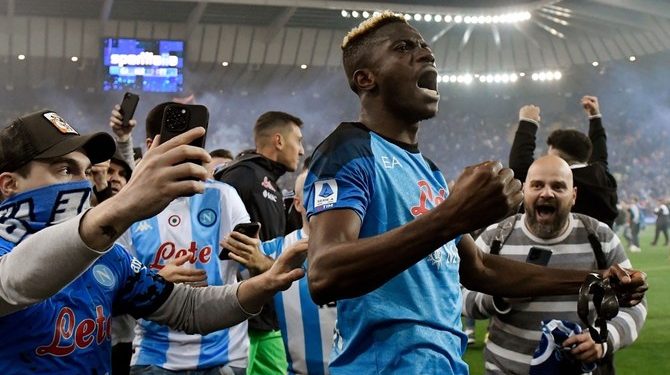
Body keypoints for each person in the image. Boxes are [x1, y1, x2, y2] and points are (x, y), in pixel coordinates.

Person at [303, 12, 646, 374]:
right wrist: (453, 216)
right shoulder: (347, 149)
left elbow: (479, 268)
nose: (425, 54)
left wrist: (592, 279)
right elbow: (325, 274)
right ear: (365, 78)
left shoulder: (429, 171)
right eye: (403, 47)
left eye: (425, 46)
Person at [0, 109, 306, 374]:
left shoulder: (109, 257)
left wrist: (262, 285)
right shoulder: (81, 243)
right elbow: (16, 282)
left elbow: (187, 309)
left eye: (85, 172)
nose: (81, 183)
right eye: (65, 170)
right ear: (9, 184)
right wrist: (122, 206)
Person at [462, 155, 646, 375]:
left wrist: (604, 340)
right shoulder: (495, 238)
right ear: (524, 192)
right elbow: (459, 298)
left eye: (558, 186)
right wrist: (500, 296)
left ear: (573, 195)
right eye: (537, 185)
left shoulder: (599, 237)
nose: (547, 193)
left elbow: (634, 304)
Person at [125, 103, 252, 375]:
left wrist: (262, 263)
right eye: (179, 142)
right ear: (151, 145)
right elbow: (115, 292)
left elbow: (253, 272)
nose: (189, 151)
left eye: (195, 142)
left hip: (223, 357)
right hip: (155, 358)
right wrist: (156, 283)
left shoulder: (224, 197)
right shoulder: (128, 207)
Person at [216, 111, 305, 375]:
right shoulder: (241, 176)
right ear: (279, 140)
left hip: (266, 320)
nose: (300, 150)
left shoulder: (270, 184)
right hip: (240, 320)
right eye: (298, 140)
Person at [222, 169, 337, 375]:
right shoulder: (271, 250)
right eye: (316, 190)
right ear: (298, 203)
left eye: (331, 190)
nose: (325, 197)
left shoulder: (359, 248)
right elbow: (222, 282)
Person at [509, 97, 619, 228]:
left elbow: (519, 164)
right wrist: (595, 117)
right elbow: (600, 152)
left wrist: (528, 122)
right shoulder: (603, 179)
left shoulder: (565, 182)